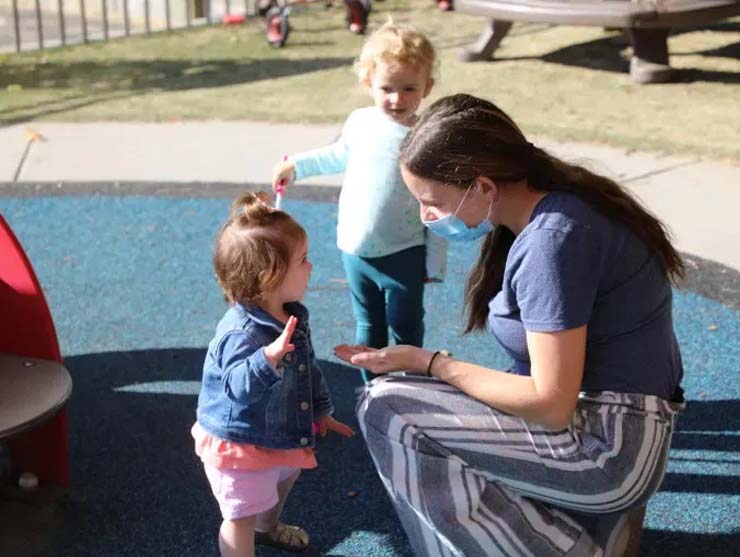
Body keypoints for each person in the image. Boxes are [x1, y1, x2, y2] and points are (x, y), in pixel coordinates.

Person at [334, 94, 686, 556]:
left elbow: (549, 402)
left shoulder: (551, 243)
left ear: (482, 185)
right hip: (622, 430)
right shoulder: (558, 210)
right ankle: (569, 530)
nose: (426, 217)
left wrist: (431, 364)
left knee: (385, 406)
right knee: (421, 402)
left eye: (431, 201)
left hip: (611, 451)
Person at [272, 21, 447, 382]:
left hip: (404, 251)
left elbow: (437, 204)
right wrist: (296, 166)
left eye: (409, 88)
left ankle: (412, 385)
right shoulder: (361, 122)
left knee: (406, 325)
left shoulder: (425, 137)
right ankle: (374, 390)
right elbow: (337, 155)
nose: (397, 98)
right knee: (368, 324)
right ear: (369, 84)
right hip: (356, 250)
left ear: (427, 87)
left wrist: (436, 261)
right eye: (387, 88)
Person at [193, 192, 353, 557]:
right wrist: (265, 359)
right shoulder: (241, 332)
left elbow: (307, 368)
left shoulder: (293, 315)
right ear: (269, 276)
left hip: (279, 432)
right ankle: (254, 532)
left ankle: (269, 529)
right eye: (303, 260)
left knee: (282, 480)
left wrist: (321, 410)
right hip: (240, 441)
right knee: (239, 516)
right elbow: (236, 389)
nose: (311, 267)